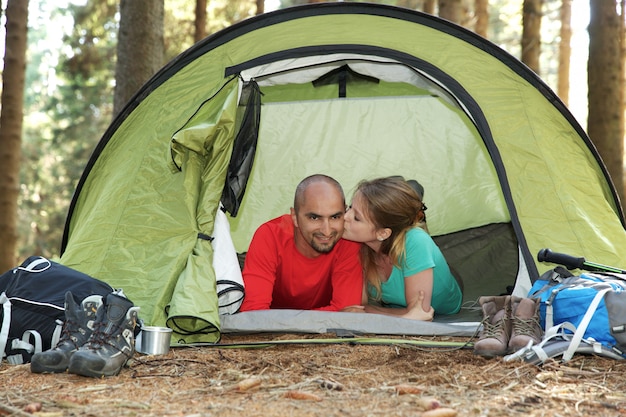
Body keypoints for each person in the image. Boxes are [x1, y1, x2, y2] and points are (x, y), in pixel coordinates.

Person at [342, 176, 462, 321]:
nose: (345, 217)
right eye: (350, 207)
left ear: (382, 233)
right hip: (397, 301)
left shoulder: (416, 242)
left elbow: (420, 313)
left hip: (446, 294)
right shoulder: (358, 245)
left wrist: (370, 310)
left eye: (356, 218)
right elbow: (357, 304)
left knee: (416, 240)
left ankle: (413, 201)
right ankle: (408, 198)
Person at [240, 174, 364, 311]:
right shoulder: (270, 235)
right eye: (314, 218)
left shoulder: (348, 242)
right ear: (294, 217)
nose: (327, 231)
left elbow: (347, 310)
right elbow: (253, 311)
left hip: (279, 321)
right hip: (279, 325)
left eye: (335, 217)